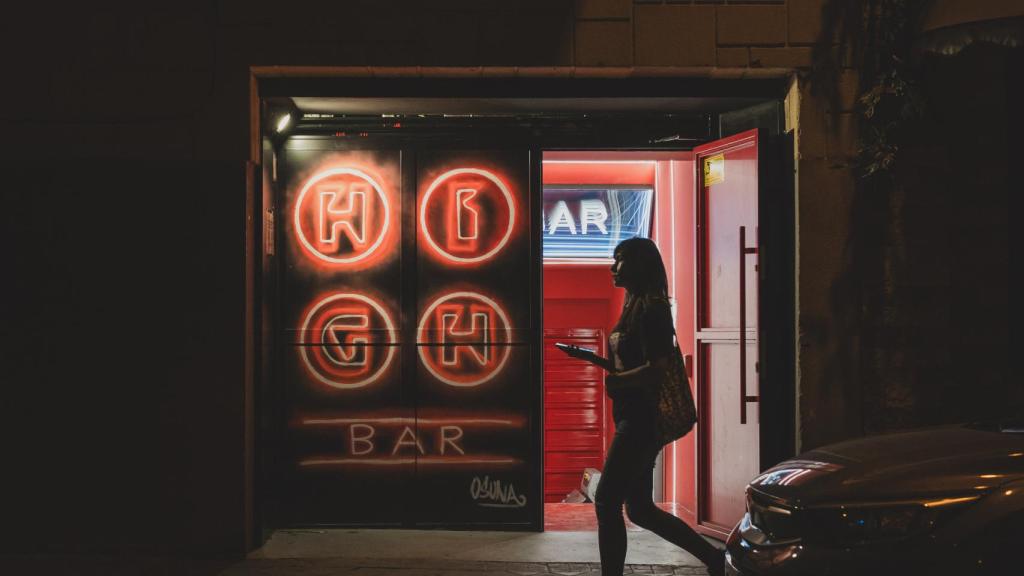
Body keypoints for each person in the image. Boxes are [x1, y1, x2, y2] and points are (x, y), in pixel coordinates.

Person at [558, 237, 724, 576]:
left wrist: (619, 382)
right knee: (641, 510)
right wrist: (592, 358)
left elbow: (657, 368)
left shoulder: (653, 308)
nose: (612, 267)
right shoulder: (635, 304)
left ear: (638, 264)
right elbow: (632, 365)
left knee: (605, 501)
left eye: (618, 259)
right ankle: (716, 560)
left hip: (642, 420)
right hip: (631, 416)